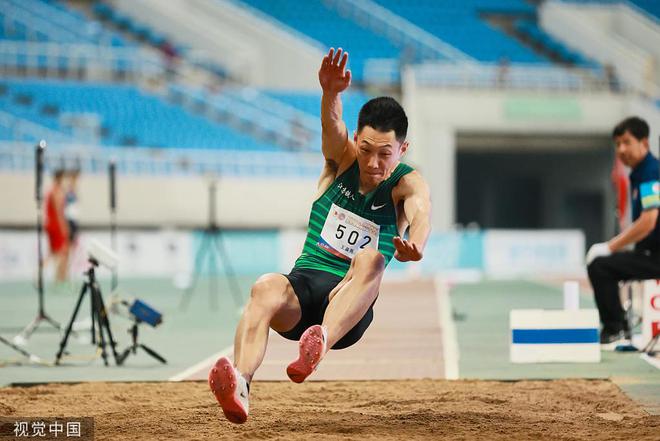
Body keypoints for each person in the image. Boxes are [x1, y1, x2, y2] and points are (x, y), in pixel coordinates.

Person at [208, 47, 432, 424]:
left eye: (385, 154)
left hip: (347, 306)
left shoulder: (406, 182)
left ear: (402, 150)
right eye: (365, 149)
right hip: (305, 289)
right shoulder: (340, 159)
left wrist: (418, 244)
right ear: (357, 138)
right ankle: (241, 386)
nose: (373, 163)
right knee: (264, 287)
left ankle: (321, 341)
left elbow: (420, 210)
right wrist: (331, 93)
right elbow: (332, 126)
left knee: (371, 257)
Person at [586, 116, 660, 347]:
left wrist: (610, 247)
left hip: (656, 257)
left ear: (644, 143)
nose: (621, 149)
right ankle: (617, 327)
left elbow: (649, 221)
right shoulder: (638, 173)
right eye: (617, 144)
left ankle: (615, 329)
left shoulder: (650, 172)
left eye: (627, 142)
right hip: (649, 253)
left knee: (600, 266)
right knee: (605, 264)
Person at [44, 169, 70, 283]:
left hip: (51, 224)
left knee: (53, 253)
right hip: (56, 226)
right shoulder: (56, 191)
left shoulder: (52, 190)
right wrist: (63, 227)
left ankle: (58, 277)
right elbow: (59, 212)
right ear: (59, 178)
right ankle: (59, 278)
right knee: (62, 252)